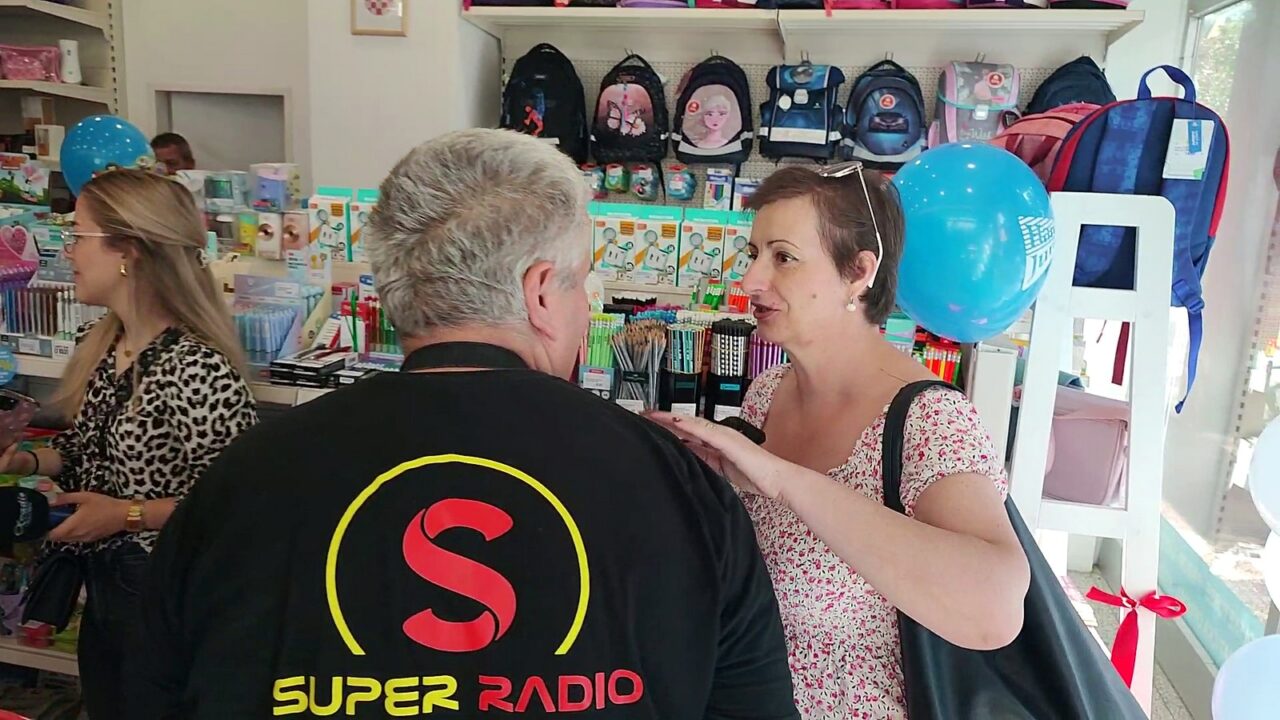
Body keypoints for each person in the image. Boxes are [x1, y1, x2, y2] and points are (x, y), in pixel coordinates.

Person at [134, 129, 799, 720]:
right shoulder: (676, 482)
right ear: (541, 293)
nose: (584, 309)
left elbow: (148, 690)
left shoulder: (247, 478)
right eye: (582, 284)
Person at [647, 165, 1030, 719]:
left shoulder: (928, 419)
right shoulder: (768, 392)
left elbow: (995, 609)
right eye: (753, 254)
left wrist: (785, 481)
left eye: (783, 257)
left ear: (858, 272)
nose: (751, 280)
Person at [0, 169, 258, 719]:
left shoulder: (196, 367)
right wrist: (24, 459)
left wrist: (127, 515)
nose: (68, 251)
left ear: (129, 251)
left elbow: (237, 506)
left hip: (167, 599)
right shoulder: (105, 344)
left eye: (79, 236)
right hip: (107, 594)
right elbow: (84, 452)